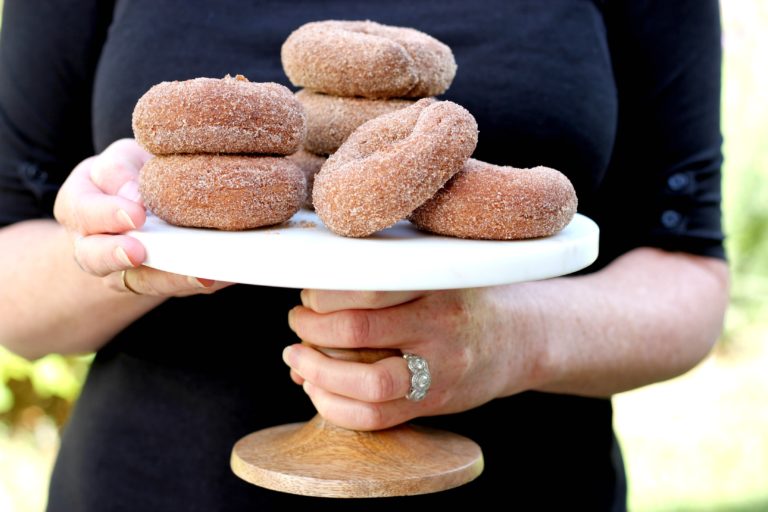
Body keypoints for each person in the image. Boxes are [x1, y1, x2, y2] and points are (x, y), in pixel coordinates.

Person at [0, 1, 728, 510]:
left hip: (528, 485)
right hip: (155, 485)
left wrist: (513, 339)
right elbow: (13, 290)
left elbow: (687, 265)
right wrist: (127, 235)